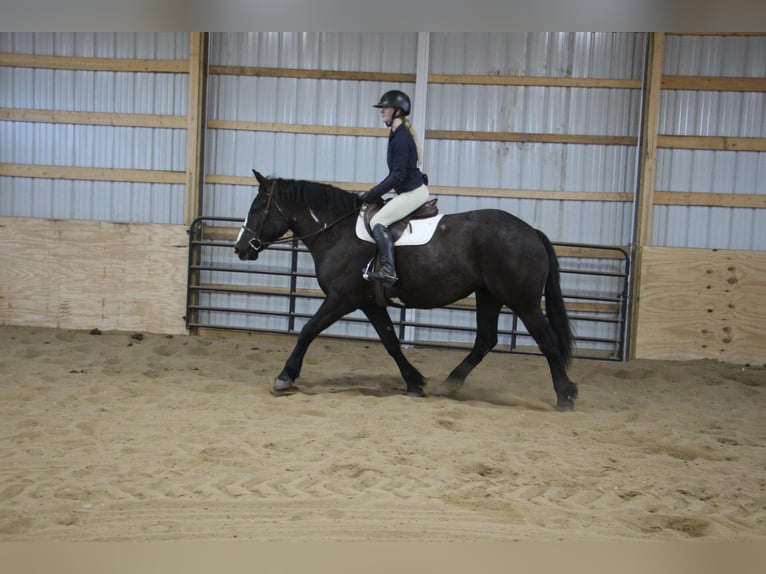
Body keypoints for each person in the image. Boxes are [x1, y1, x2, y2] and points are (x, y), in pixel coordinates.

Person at [359, 89, 430, 287]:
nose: (382, 111)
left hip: (413, 193)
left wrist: (373, 193)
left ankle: (388, 270)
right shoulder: (396, 134)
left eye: (385, 108)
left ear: (397, 111)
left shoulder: (400, 137)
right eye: (382, 108)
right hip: (411, 190)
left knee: (378, 221)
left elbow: (397, 175)